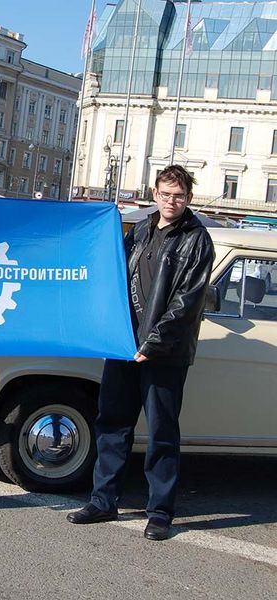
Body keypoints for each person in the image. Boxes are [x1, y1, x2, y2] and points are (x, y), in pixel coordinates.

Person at [66, 165, 214, 541]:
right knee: (112, 424)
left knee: (162, 432)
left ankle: (160, 512)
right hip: (123, 344)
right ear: (154, 193)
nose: (171, 201)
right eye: (165, 194)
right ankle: (103, 500)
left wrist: (153, 344)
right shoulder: (142, 229)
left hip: (163, 353)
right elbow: (114, 274)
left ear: (189, 198)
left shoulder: (197, 239)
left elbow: (187, 302)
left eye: (178, 196)